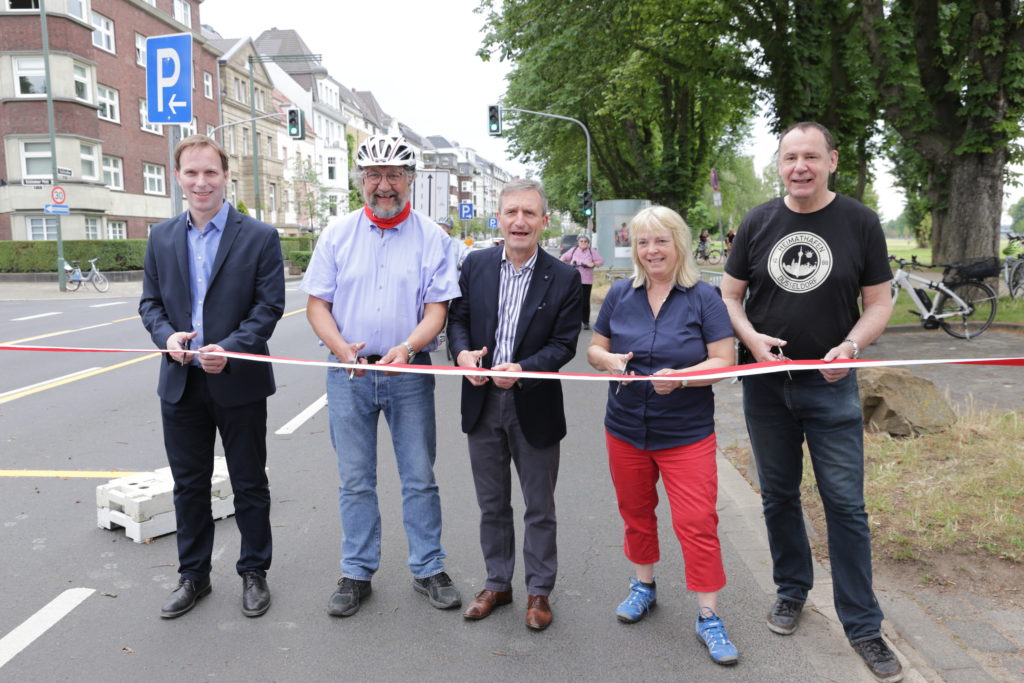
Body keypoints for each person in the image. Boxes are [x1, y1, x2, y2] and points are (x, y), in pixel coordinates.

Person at [721, 122, 897, 682]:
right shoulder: (758, 221)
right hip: (766, 388)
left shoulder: (860, 222)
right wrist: (750, 342)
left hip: (831, 387)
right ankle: (792, 592)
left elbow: (878, 302)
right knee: (777, 497)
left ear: (831, 162)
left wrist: (850, 346)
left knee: (845, 505)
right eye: (790, 157)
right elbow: (729, 294)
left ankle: (864, 626)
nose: (800, 166)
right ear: (779, 164)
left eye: (811, 157)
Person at [301, 135, 463, 618]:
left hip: (409, 371)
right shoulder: (336, 234)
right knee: (354, 480)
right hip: (348, 373)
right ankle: (356, 572)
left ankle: (429, 567)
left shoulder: (433, 236)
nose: (384, 185)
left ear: (409, 180)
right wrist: (339, 348)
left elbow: (438, 311)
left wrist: (409, 347)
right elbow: (317, 305)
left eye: (394, 175)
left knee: (419, 477)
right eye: (374, 175)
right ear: (361, 182)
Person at [139, 134, 285, 620]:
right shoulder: (160, 236)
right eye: (191, 173)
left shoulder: (260, 237)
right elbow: (150, 304)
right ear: (179, 178)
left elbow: (269, 307)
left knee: (248, 482)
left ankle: (253, 573)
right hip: (180, 382)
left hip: (237, 380)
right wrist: (167, 337)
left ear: (226, 176)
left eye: (210, 172)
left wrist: (233, 349)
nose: (201, 182)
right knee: (188, 485)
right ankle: (193, 576)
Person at [587, 206, 739, 665]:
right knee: (636, 512)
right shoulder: (618, 294)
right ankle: (643, 586)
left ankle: (708, 615)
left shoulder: (704, 298)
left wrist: (684, 377)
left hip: (685, 434)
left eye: (660, 241)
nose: (651, 250)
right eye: (642, 242)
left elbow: (724, 360)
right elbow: (595, 348)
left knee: (696, 522)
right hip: (626, 429)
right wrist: (611, 362)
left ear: (679, 244)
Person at [446, 178, 581, 631]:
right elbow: (458, 321)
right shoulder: (477, 265)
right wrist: (462, 354)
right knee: (492, 503)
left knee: (539, 506)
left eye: (528, 213)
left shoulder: (564, 277)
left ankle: (539, 592)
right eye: (511, 213)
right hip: (481, 401)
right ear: (499, 219)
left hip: (533, 404)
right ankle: (498, 583)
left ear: (544, 221)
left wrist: (524, 367)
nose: (519, 221)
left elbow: (564, 345)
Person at [561, 233, 605, 329]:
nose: (583, 243)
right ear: (578, 242)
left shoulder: (591, 251)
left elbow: (601, 261)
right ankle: (573, 321)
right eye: (581, 241)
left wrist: (592, 264)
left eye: (585, 241)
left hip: (586, 280)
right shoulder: (573, 250)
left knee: (585, 302)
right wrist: (568, 262)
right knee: (573, 301)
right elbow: (563, 257)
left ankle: (585, 321)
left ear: (588, 243)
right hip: (574, 280)